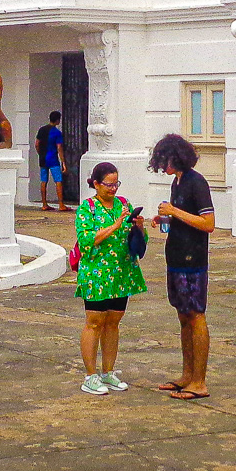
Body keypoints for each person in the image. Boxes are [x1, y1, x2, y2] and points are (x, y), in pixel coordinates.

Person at [151, 134, 216, 401]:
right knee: (182, 316)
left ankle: (199, 381)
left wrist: (175, 213)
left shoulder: (196, 182)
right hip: (176, 256)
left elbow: (208, 223)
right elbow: (183, 217)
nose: (162, 166)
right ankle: (187, 374)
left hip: (193, 260)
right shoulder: (177, 182)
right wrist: (164, 217)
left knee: (195, 315)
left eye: (165, 160)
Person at [75, 163, 145, 395]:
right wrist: (115, 225)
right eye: (108, 185)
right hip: (96, 274)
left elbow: (138, 238)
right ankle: (90, 375)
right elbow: (86, 241)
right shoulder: (87, 208)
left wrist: (140, 227)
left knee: (113, 322)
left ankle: (108, 372)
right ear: (96, 184)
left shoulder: (124, 205)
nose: (113, 189)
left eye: (116, 184)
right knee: (94, 322)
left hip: (121, 273)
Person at [34, 112, 69, 212]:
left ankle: (44, 204)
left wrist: (40, 154)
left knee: (43, 180)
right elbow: (59, 148)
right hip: (53, 159)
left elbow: (37, 144)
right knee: (58, 181)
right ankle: (61, 204)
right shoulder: (57, 133)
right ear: (58, 120)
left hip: (43, 158)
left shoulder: (41, 130)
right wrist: (63, 162)